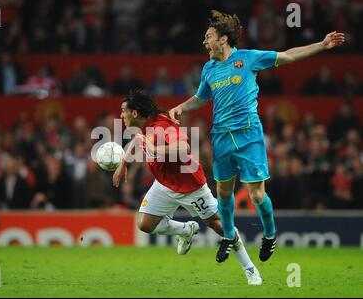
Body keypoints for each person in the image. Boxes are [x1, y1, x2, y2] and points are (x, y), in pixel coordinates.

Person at [168, 10, 345, 263]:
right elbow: (201, 98)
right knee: (223, 192)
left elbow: (286, 56)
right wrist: (182, 107)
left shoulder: (248, 59)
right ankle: (229, 236)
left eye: (208, 37)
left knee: (257, 195)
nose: (204, 42)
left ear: (223, 39)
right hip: (221, 136)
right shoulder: (208, 69)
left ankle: (270, 235)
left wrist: (321, 44)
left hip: (248, 133)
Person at [112, 89, 262, 285]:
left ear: (134, 113)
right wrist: (124, 161)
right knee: (145, 224)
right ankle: (185, 230)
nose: (120, 115)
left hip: (190, 186)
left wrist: (155, 149)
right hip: (165, 184)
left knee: (218, 225)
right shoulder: (144, 126)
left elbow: (185, 148)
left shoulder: (162, 126)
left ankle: (250, 269)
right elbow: (138, 139)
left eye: (123, 111)